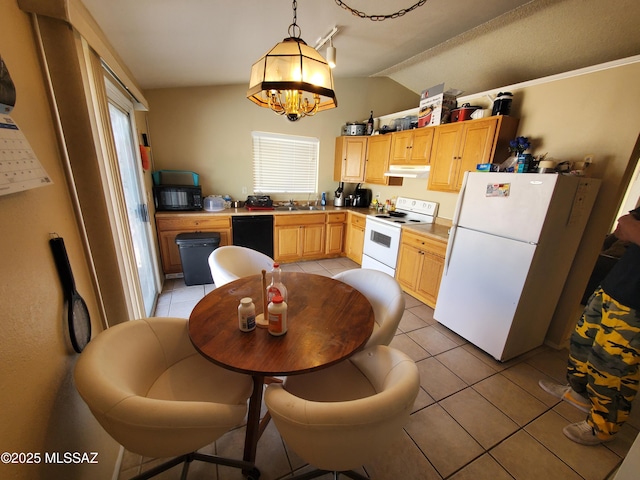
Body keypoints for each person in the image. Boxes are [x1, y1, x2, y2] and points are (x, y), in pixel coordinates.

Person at [539, 206, 640, 446]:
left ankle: (603, 428)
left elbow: (629, 227)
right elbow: (624, 225)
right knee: (580, 345)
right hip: (613, 287)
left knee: (612, 369)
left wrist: (632, 228)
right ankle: (578, 393)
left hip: (635, 306)